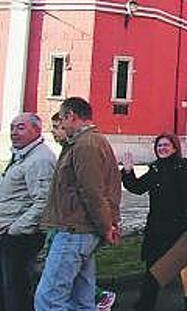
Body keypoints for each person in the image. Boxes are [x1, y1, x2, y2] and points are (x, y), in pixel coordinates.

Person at [36, 97, 121, 311]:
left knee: (48, 299)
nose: (61, 126)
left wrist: (106, 226)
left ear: (71, 116)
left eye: (62, 119)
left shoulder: (86, 144)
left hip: (75, 230)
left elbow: (92, 191)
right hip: (81, 229)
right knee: (81, 300)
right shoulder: (86, 142)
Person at [121, 134, 187, 311]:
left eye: (166, 145)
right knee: (153, 270)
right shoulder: (155, 169)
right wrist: (128, 171)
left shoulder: (183, 167)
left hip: (179, 228)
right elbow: (137, 187)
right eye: (159, 146)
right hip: (157, 229)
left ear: (174, 148)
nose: (162, 148)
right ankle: (145, 304)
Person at [0, 113, 56, 311]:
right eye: (12, 127)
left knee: (17, 290)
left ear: (37, 130)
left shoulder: (39, 159)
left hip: (20, 238)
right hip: (10, 233)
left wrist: (15, 229)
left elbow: (43, 202)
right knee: (8, 288)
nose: (14, 132)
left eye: (21, 127)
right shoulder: (23, 154)